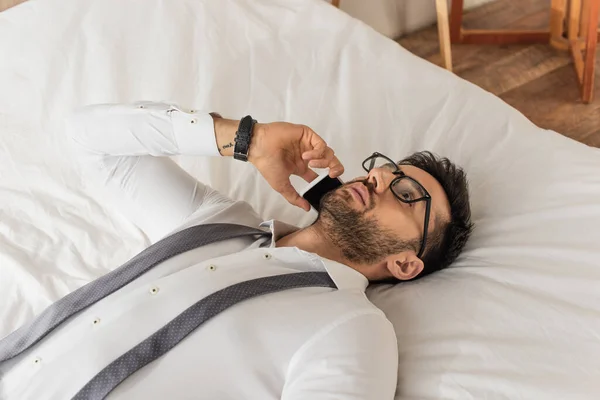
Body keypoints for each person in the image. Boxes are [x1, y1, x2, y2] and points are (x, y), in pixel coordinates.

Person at [0, 102, 473, 399]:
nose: (377, 179)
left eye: (408, 195)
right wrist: (248, 139)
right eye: (383, 171)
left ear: (406, 263)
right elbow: (87, 137)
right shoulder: (217, 221)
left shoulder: (354, 329)